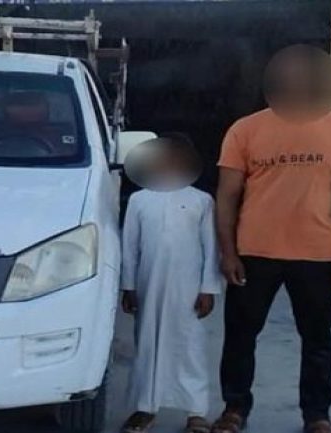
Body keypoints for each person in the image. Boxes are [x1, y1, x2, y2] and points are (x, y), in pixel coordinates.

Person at [212, 45, 331, 433]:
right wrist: (228, 253)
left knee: (317, 341)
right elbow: (226, 196)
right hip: (254, 252)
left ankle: (317, 416)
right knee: (240, 338)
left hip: (317, 255)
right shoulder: (245, 130)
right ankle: (234, 410)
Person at [120, 137, 224, 433]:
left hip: (187, 287)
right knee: (147, 344)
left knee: (189, 345)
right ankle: (145, 408)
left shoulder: (201, 200)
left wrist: (208, 289)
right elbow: (130, 246)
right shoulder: (140, 200)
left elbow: (211, 246)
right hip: (148, 284)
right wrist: (129, 285)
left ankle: (196, 412)